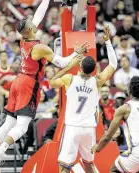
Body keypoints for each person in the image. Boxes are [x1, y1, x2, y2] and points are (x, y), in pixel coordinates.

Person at [0, 0, 86, 173]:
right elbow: (60, 62)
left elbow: (38, 16)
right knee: (23, 126)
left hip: (18, 81)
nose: (33, 20)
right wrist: (77, 54)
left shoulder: (24, 39)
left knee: (8, 122)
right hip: (28, 84)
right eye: (31, 22)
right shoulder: (40, 47)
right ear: (31, 29)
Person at [50, 26, 117, 173]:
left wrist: (69, 65)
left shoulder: (69, 79)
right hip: (88, 129)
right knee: (88, 164)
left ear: (79, 66)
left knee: (64, 167)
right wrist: (108, 43)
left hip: (72, 128)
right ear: (94, 69)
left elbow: (52, 81)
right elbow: (113, 65)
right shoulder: (97, 80)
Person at [92, 76, 139, 173]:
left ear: (129, 90)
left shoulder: (125, 108)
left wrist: (97, 148)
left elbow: (108, 136)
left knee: (114, 169)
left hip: (136, 153)